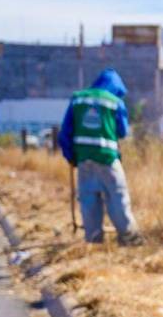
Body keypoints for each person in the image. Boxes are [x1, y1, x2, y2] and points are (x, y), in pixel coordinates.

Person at [58, 68, 142, 245]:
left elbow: (65, 133)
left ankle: (94, 239)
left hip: (84, 159)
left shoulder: (78, 99)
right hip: (108, 158)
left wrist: (71, 156)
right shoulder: (114, 102)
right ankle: (128, 237)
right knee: (117, 196)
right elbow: (123, 131)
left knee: (88, 198)